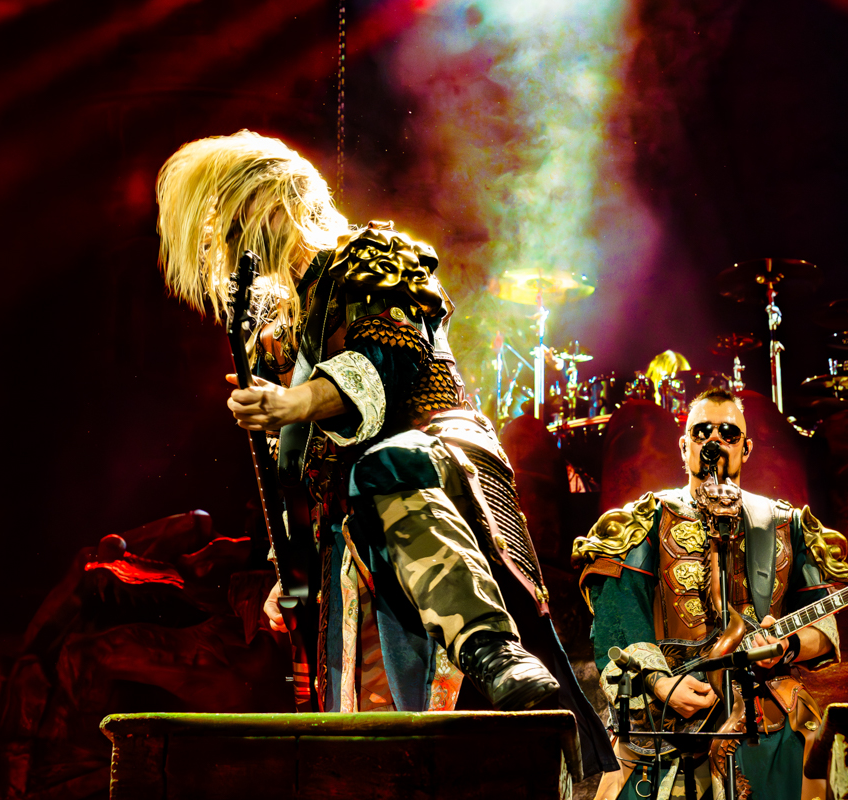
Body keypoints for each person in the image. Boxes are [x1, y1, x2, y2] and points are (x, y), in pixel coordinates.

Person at [156, 130, 616, 782]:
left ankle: (492, 648)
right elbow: (297, 471)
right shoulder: (278, 334)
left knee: (388, 465)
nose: (229, 251)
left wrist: (293, 402)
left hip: (437, 462)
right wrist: (288, 568)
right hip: (352, 522)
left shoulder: (375, 259)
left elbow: (381, 370)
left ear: (273, 204)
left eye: (234, 227)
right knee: (369, 715)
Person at [572, 388, 848, 800]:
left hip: (768, 720)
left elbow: (823, 624)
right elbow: (621, 616)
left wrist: (787, 645)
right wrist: (660, 684)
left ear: (746, 448)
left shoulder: (786, 523)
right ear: (684, 446)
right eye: (702, 431)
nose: (714, 440)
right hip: (666, 725)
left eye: (728, 433)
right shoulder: (645, 520)